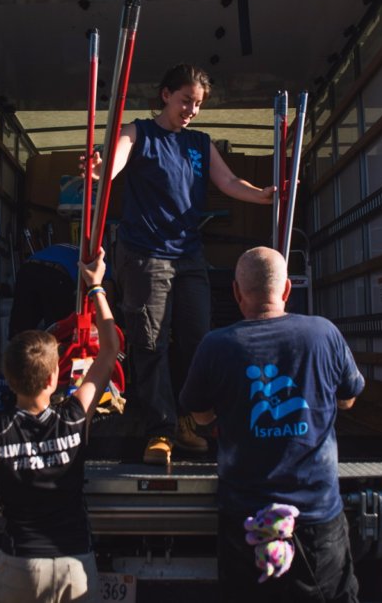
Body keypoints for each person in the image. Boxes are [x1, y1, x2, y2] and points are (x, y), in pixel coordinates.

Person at [87, 63, 275, 464]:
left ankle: (191, 419)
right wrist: (100, 170)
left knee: (200, 340)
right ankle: (160, 430)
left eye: (199, 103)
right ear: (166, 95)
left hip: (188, 255)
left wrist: (263, 195)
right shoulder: (138, 132)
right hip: (144, 255)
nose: (192, 109)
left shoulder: (199, 143)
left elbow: (228, 182)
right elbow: (114, 163)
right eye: (186, 100)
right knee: (150, 343)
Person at [179, 247, 364, 602]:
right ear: (287, 289)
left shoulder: (215, 346)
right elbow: (348, 397)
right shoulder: (323, 334)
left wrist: (222, 419)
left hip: (245, 524)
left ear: (236, 292)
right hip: (317, 522)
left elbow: (199, 414)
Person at [0, 250, 118, 603]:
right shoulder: (75, 418)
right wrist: (96, 286)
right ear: (54, 379)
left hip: (20, 568)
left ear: (8, 379)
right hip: (75, 567)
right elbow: (109, 350)